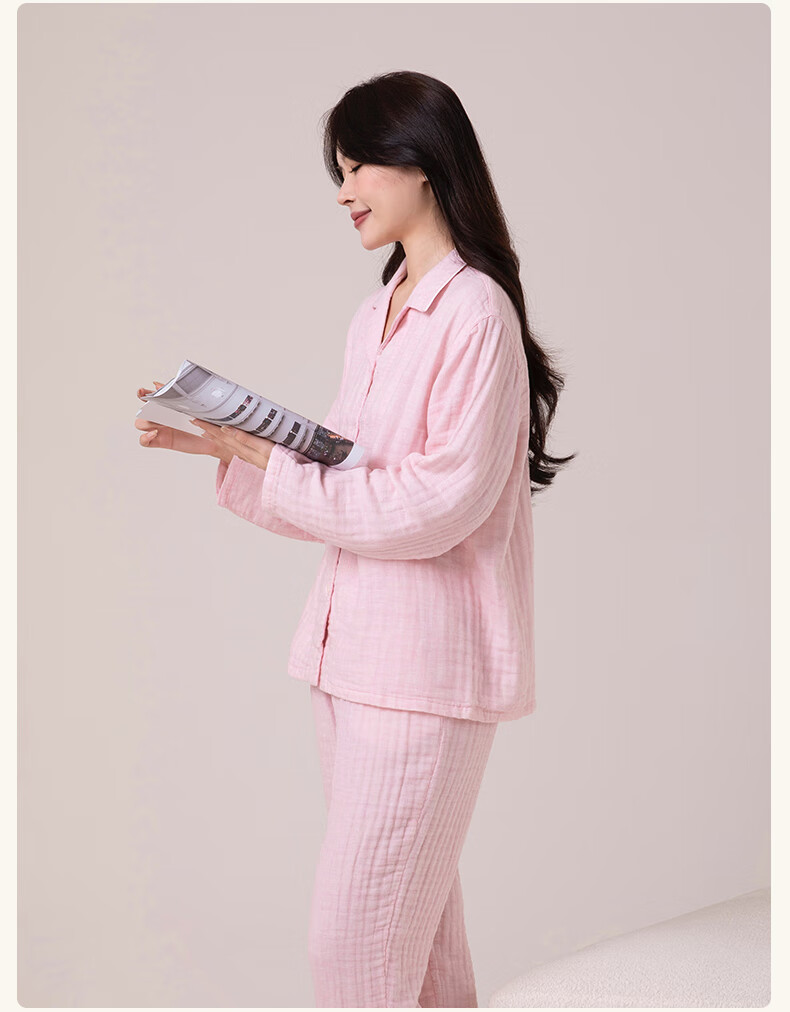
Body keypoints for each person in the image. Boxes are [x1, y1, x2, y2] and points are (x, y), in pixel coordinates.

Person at [135, 70, 574, 1009]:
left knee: (356, 949)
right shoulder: (376, 314)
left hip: (424, 673)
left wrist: (272, 463)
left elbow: (438, 502)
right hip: (349, 658)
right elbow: (343, 480)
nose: (344, 191)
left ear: (423, 163)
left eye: (360, 165)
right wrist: (232, 449)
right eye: (338, 171)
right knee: (421, 954)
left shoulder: (476, 311)